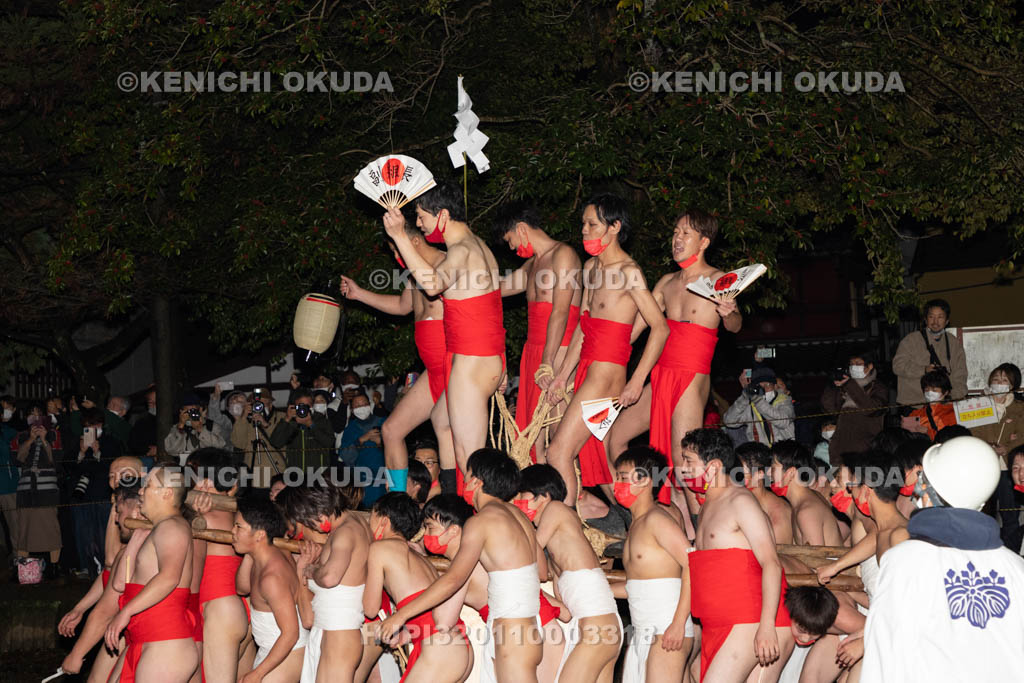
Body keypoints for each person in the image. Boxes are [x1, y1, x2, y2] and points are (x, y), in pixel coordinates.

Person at [606, 209, 741, 511]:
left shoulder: (718, 279)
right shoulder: (667, 282)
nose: (677, 239)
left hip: (691, 377)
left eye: (685, 234)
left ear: (703, 242)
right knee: (615, 438)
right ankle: (636, 515)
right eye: (675, 232)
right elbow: (636, 329)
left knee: (684, 466)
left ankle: (701, 534)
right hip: (659, 376)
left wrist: (729, 311)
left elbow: (735, 325)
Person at [377, 448, 547, 683]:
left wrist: (401, 615)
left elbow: (454, 579)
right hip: (528, 627)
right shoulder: (519, 517)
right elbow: (542, 571)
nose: (463, 481)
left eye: (466, 475)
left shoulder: (481, 521)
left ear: (476, 481)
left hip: (511, 631)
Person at [861, 436, 1024, 681]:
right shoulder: (1015, 566)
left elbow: (885, 654)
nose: (918, 486)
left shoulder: (905, 560)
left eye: (925, 478)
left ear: (935, 488)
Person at [543, 194, 670, 503]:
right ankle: (633, 518)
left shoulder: (629, 272)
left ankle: (566, 527)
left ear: (614, 227)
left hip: (607, 378)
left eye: (591, 224)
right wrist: (561, 377)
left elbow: (660, 327)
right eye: (583, 223)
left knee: (558, 452)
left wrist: (637, 380)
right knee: (590, 457)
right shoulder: (590, 267)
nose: (583, 230)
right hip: (589, 371)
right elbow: (582, 330)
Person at [382, 182, 506, 486]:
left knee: (470, 459)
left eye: (422, 217)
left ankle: (489, 520)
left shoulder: (463, 250)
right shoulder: (476, 245)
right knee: (442, 420)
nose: (420, 225)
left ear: (444, 215)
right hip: (482, 356)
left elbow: (434, 285)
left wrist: (400, 236)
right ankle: (453, 505)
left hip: (472, 360)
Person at [340, 221, 452, 495]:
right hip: (432, 372)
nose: (397, 259)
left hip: (457, 367)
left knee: (451, 438)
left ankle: (451, 501)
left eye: (397, 251)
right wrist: (358, 294)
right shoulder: (414, 276)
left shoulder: (449, 263)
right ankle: (399, 498)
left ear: (412, 241)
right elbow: (403, 306)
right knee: (390, 430)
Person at [679, 428, 795, 682]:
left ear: (714, 466)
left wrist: (766, 626)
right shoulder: (709, 504)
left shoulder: (740, 501)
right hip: (721, 622)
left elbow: (772, 564)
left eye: (688, 461)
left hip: (751, 620)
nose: (682, 468)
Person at [516, 464, 622, 682]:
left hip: (597, 628)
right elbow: (540, 575)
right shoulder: (558, 550)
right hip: (598, 627)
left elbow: (527, 553)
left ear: (543, 496)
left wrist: (518, 523)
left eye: (522, 496)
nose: (518, 503)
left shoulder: (556, 509)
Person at [495, 202, 583, 464]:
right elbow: (497, 290)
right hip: (533, 351)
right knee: (533, 440)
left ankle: (571, 502)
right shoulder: (532, 264)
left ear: (521, 229)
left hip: (559, 351)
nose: (512, 248)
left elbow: (561, 312)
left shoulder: (563, 255)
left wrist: (547, 362)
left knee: (558, 437)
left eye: (510, 240)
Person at [365, 492, 473, 681]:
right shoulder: (422, 558)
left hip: (439, 645)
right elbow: (426, 611)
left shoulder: (379, 549)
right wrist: (406, 634)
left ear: (383, 520)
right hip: (457, 644)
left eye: (370, 519)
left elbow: (370, 608)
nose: (368, 526)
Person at [104, 467, 199, 683]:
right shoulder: (159, 529)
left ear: (166, 493)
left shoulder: (173, 527)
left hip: (165, 642)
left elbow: (169, 578)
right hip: (145, 639)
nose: (140, 492)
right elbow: (121, 584)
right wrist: (134, 542)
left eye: (148, 486)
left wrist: (125, 613)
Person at [610, 447, 692, 683]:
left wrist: (677, 624)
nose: (617, 484)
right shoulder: (636, 525)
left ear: (644, 480)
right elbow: (640, 587)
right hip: (643, 629)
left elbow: (692, 565)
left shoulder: (657, 519)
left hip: (666, 628)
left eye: (623, 478)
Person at [285, 485, 369, 683]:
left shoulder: (346, 532)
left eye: (309, 522)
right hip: (337, 632)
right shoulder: (356, 523)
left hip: (340, 633)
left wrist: (310, 570)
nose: (312, 528)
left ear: (320, 513)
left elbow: (331, 577)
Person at [59, 483, 141, 681]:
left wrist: (76, 654)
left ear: (136, 510)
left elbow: (106, 608)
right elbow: (109, 572)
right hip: (136, 631)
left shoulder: (133, 549)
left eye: (119, 511)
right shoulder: (159, 533)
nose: (116, 518)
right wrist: (81, 607)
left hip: (153, 637)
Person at [185, 449, 250, 682]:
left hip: (220, 608)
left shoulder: (207, 514)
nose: (196, 484)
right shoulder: (237, 513)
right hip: (238, 605)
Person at [232, 497, 308, 683]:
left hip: (288, 653)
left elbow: (291, 633)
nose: (232, 532)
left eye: (239, 527)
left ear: (259, 535)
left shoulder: (272, 578)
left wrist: (257, 674)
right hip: (275, 649)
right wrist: (251, 551)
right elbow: (242, 588)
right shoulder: (265, 556)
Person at [892, 298, 968, 405]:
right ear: (925, 319)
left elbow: (960, 375)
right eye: (931, 317)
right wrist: (923, 370)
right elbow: (897, 366)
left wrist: (952, 397)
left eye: (940, 317)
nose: (935, 321)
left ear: (947, 321)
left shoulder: (953, 343)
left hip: (944, 405)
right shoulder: (911, 340)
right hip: (914, 404)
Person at [782, 586, 867, 681]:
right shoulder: (793, 607)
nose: (805, 638)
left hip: (869, 631)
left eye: (815, 633)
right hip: (842, 631)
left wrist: (861, 645)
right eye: (801, 630)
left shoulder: (843, 619)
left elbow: (881, 630)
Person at [12, 416, 62, 577]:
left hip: (47, 491)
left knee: (51, 529)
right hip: (26, 491)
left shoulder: (55, 435)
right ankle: (22, 569)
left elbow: (56, 460)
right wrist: (31, 439)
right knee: (24, 530)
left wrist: (44, 439)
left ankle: (54, 568)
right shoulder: (22, 436)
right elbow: (18, 459)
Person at [71, 407, 118, 577]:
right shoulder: (78, 442)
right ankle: (86, 566)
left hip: (102, 494)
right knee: (83, 532)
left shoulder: (111, 442)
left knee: (103, 532)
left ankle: (107, 566)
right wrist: (81, 453)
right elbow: (69, 468)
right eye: (87, 426)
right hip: (82, 495)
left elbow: (111, 468)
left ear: (101, 425)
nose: (91, 429)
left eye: (95, 425)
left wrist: (98, 453)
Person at [770, 440, 844, 546]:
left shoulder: (806, 511)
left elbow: (817, 560)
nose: (768, 473)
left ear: (790, 473)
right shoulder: (808, 499)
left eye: (773, 468)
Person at [820, 350, 888, 465]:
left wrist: (850, 385)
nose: (853, 367)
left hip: (865, 450)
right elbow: (829, 409)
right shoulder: (845, 386)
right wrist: (832, 385)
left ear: (870, 366)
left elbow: (872, 409)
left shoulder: (877, 387)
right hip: (841, 450)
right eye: (851, 364)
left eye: (858, 364)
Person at [736, 442, 794, 545]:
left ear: (759, 475)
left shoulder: (778, 513)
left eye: (740, 474)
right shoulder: (738, 503)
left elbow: (781, 556)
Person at [723, 366, 795, 446]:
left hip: (783, 453)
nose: (764, 389)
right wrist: (745, 397)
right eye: (759, 386)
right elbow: (729, 421)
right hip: (760, 454)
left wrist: (757, 400)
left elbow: (782, 422)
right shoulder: (751, 405)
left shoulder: (784, 401)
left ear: (774, 386)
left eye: (767, 385)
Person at [338, 391, 387, 508]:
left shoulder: (383, 422)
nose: (361, 408)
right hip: (362, 480)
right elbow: (345, 456)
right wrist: (361, 440)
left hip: (384, 477)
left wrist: (381, 443)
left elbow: (398, 448)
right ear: (352, 409)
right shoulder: (351, 429)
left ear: (369, 405)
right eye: (357, 406)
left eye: (364, 404)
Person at [270, 388, 336, 470]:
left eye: (307, 406)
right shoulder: (291, 422)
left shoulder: (322, 420)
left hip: (319, 473)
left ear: (312, 405)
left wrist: (311, 425)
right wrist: (287, 419)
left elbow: (329, 443)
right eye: (300, 406)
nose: (303, 409)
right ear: (294, 406)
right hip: (296, 474)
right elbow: (275, 443)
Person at [232, 388, 285, 488]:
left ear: (270, 405)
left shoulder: (281, 418)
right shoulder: (245, 421)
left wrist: (265, 424)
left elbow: (281, 440)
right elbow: (239, 443)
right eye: (255, 404)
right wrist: (243, 418)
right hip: (253, 473)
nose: (258, 407)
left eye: (262, 404)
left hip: (275, 472)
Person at [165, 392, 226, 461]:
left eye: (194, 411)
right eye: (188, 411)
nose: (191, 414)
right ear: (181, 411)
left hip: (207, 468)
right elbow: (171, 450)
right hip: (185, 468)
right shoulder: (177, 428)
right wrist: (180, 428)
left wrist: (201, 430)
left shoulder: (211, 426)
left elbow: (219, 447)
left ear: (200, 409)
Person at [903, 370, 957, 440]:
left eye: (934, 390)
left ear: (946, 392)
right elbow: (908, 438)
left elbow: (951, 439)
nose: (929, 393)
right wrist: (904, 426)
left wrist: (928, 432)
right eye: (926, 390)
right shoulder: (916, 413)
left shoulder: (952, 413)